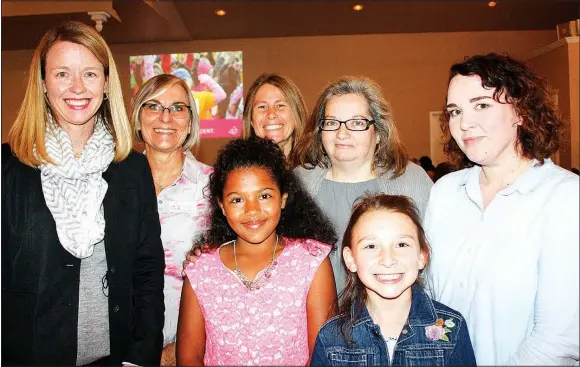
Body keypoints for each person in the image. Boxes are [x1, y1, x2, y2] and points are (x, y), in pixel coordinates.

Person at [2, 20, 164, 365]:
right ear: (43, 83)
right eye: (62, 73)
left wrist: (140, 354)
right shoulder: (7, 168)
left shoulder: (132, 169)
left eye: (90, 74)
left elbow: (147, 270)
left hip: (115, 357)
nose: (77, 87)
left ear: (106, 83)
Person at [426, 53, 579, 365]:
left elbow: (558, 340)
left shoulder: (564, 199)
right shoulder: (444, 192)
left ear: (521, 111)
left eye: (482, 104)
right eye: (455, 111)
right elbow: (432, 303)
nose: (464, 122)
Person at [176, 137, 338, 366]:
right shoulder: (201, 269)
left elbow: (323, 355)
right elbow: (189, 357)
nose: (252, 210)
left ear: (283, 199)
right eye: (237, 199)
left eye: (264, 196)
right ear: (221, 206)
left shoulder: (311, 260)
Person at [293, 76, 433, 295]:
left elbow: (429, 259)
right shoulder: (299, 183)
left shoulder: (411, 180)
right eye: (331, 123)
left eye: (357, 122)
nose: (342, 133)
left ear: (378, 132)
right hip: (318, 321)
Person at [311, 194, 476, 366]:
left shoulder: (452, 327)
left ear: (421, 255)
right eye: (371, 246)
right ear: (351, 259)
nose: (388, 260)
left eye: (402, 244)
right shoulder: (331, 337)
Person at [129, 74, 213, 366]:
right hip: (122, 348)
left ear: (190, 122)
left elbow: (227, 275)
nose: (166, 116)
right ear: (139, 118)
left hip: (191, 347)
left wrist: (182, 349)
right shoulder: (112, 184)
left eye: (178, 107)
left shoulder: (215, 186)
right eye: (153, 105)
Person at [242, 73, 308, 161]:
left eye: (280, 105)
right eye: (262, 106)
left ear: (297, 114)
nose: (271, 114)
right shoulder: (240, 171)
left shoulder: (319, 171)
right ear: (251, 120)